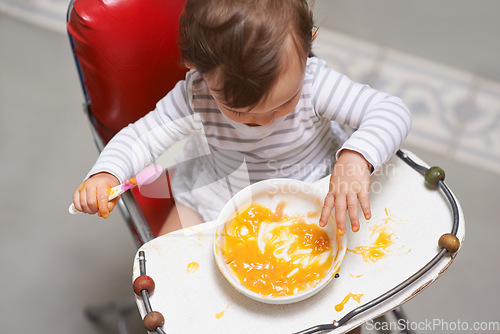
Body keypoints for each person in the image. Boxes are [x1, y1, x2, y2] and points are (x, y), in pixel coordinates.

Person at [72, 0, 411, 239]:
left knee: (346, 301)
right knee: (169, 276)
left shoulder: (316, 84)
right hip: (222, 192)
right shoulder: (197, 93)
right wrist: (107, 172)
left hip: (316, 188)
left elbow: (391, 111)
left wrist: (355, 159)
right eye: (239, 112)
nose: (263, 122)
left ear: (307, 48)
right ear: (196, 68)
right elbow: (140, 137)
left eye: (283, 104)